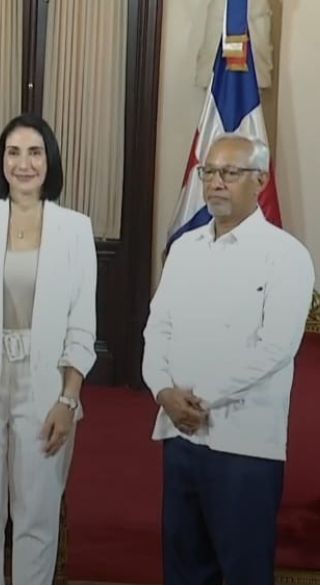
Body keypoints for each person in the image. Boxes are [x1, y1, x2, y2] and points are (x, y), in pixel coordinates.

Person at [143, 134, 314, 585]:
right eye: (209, 172)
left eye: (229, 173)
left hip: (244, 445)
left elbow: (276, 346)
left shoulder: (287, 256)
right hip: (180, 436)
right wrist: (163, 391)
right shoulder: (184, 249)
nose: (216, 183)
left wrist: (200, 401)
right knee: (183, 569)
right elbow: (156, 329)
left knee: (242, 571)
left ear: (260, 180)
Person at [0, 113, 98, 585]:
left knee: (36, 513)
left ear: (49, 161)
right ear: (1, 160)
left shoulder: (75, 228)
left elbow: (81, 323)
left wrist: (69, 399)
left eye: (34, 152)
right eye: (13, 152)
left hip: (46, 383)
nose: (24, 163)